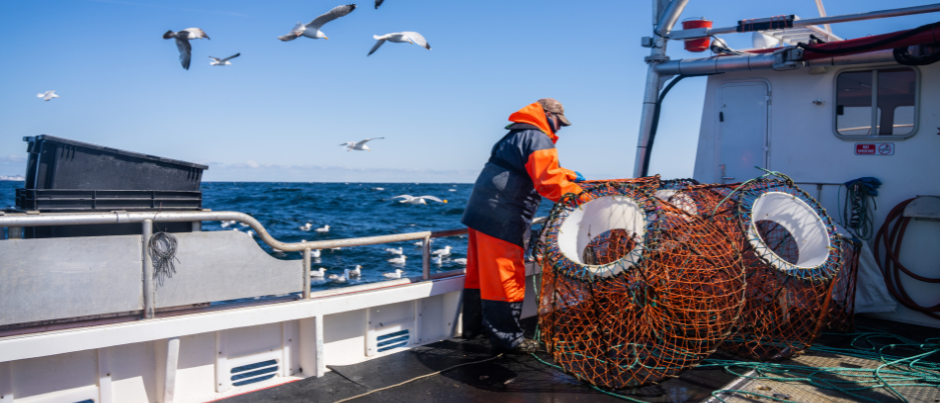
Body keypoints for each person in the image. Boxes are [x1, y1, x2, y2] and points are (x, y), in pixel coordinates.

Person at [460, 98, 585, 354]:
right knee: (504, 277)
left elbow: (530, 168)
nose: (559, 128)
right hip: (502, 217)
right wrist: (584, 196)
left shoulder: (517, 135)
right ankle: (508, 340)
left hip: (479, 213)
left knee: (478, 276)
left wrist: (569, 175)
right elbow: (548, 182)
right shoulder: (539, 138)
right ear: (547, 115)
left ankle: (474, 330)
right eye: (558, 122)